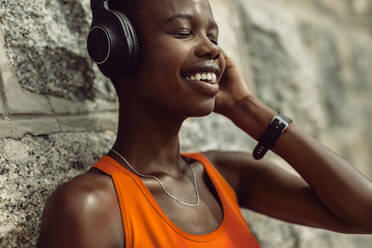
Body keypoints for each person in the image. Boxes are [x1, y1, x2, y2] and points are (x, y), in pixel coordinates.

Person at [37, 0, 372, 247]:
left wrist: (247, 108)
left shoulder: (224, 176)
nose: (211, 49)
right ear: (123, 49)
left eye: (213, 36)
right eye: (184, 31)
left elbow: (365, 214)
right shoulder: (90, 207)